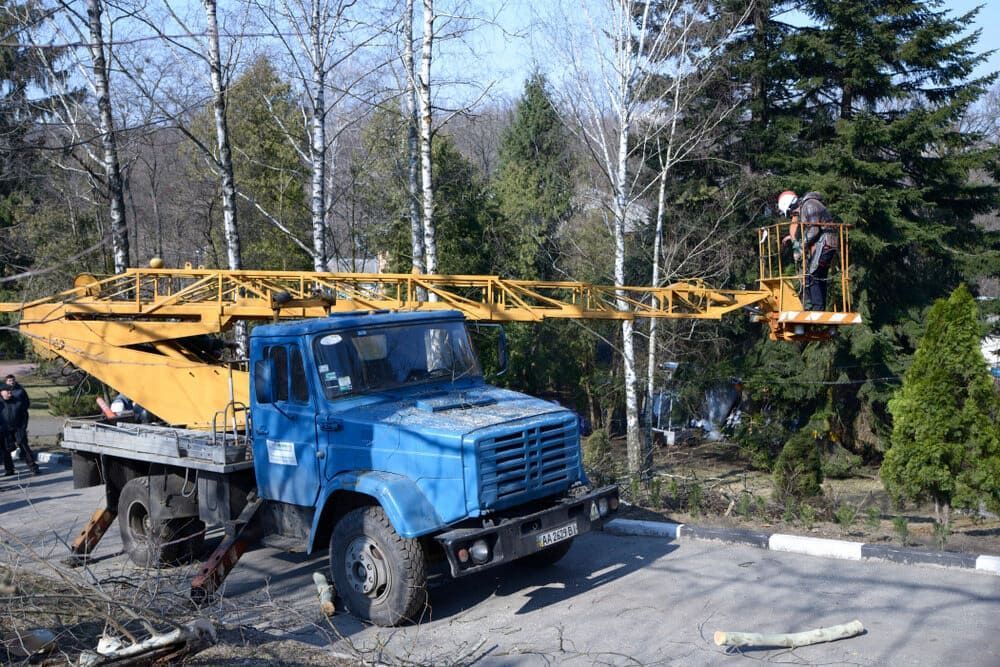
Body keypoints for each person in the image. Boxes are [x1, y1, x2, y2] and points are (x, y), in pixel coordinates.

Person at [779, 191, 838, 311]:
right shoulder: (809, 205)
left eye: (791, 212)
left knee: (812, 275)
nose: (793, 215)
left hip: (826, 243)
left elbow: (814, 230)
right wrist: (794, 239)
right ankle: (819, 308)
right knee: (819, 275)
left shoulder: (809, 205)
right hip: (827, 242)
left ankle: (817, 309)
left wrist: (800, 246)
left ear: (791, 206)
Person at [1, 386, 38, 476]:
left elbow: (24, 415)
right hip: (4, 430)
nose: (10, 392)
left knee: (23, 446)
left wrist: (22, 428)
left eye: (10, 391)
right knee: (6, 450)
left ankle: (33, 467)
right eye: (7, 391)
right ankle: (9, 470)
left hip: (17, 428)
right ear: (1, 392)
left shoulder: (17, 401)